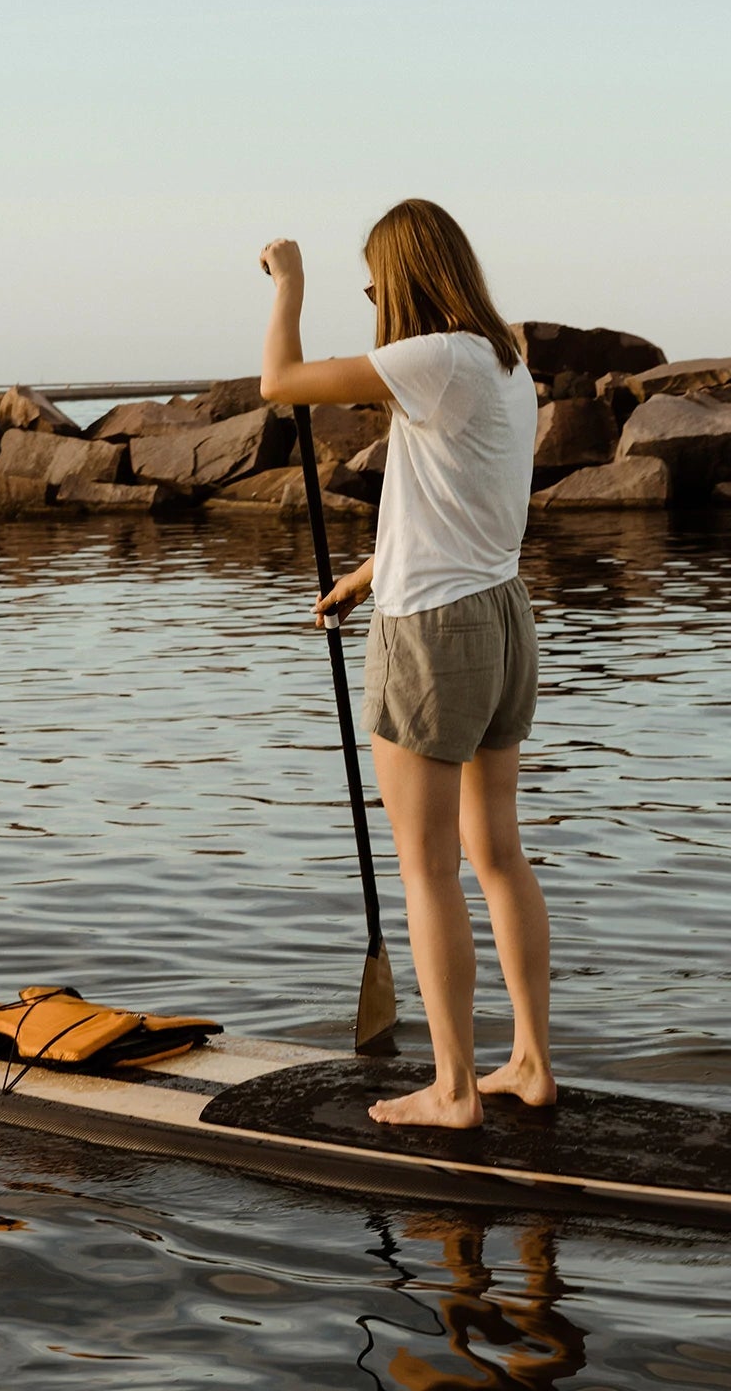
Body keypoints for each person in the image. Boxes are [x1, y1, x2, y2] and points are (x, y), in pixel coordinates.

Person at [258, 199, 555, 1129]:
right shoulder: (505, 360)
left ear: (406, 276)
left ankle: (455, 1090)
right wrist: (365, 572)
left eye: (375, 280)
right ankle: (531, 1066)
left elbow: (280, 384)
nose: (373, 295)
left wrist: (290, 285)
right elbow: (457, 504)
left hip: (433, 635)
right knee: (498, 855)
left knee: (427, 870)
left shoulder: (432, 357)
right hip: (502, 619)